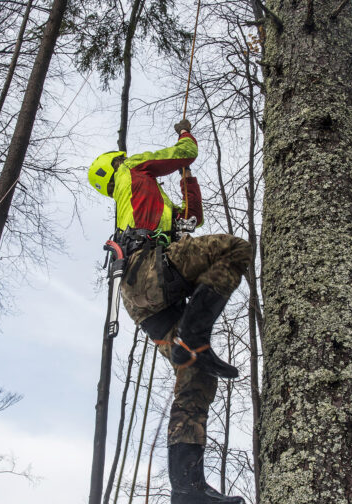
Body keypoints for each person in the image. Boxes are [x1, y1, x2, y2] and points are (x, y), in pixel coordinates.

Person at [88, 119, 249, 504]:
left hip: (142, 301)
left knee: (195, 377)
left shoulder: (146, 204)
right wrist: (184, 139)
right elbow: (184, 152)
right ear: (118, 164)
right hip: (148, 268)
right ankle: (196, 336)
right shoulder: (134, 167)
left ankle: (186, 489)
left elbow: (193, 217)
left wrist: (187, 178)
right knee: (235, 249)